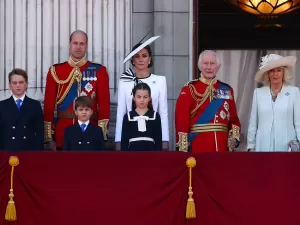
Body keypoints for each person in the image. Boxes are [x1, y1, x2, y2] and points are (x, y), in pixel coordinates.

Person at [43, 30, 110, 150]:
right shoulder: (56, 71)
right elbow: (48, 105)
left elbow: (104, 106)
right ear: (69, 44)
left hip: (91, 132)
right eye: (75, 43)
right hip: (62, 132)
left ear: (86, 46)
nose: (78, 47)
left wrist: (102, 134)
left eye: (82, 43)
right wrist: (49, 137)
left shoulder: (99, 70)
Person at [175, 50, 241, 152]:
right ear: (200, 66)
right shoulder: (190, 89)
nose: (209, 67)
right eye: (205, 63)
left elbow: (234, 119)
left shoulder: (226, 89)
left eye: (212, 63)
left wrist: (234, 138)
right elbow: (181, 119)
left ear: (218, 67)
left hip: (222, 147)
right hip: (198, 146)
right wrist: (183, 148)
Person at [115, 35, 169, 150]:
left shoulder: (160, 80)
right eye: (137, 56)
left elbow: (163, 113)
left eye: (144, 56)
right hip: (130, 133)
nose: (140, 59)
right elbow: (121, 112)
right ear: (132, 60)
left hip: (152, 133)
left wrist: (164, 140)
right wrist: (118, 140)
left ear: (150, 59)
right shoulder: (125, 81)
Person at [247, 53, 300, 152]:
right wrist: (251, 146)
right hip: (262, 147)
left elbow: (298, 122)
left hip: (287, 147)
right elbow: (253, 123)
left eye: (279, 70)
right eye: (272, 71)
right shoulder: (258, 93)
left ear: (284, 73)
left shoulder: (294, 92)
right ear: (267, 74)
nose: (275, 74)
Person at [0, 68, 44, 151]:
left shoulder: (35, 105)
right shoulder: (1, 106)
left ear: (26, 84)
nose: (18, 85)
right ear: (10, 85)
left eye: (21, 82)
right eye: (14, 83)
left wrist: (38, 153)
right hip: (7, 151)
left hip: (28, 151)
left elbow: (40, 133)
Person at [121, 83, 162, 151]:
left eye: (145, 97)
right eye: (139, 97)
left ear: (149, 98)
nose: (142, 100)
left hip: (150, 154)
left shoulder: (155, 116)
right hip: (132, 154)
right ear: (134, 98)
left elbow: (158, 142)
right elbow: (124, 142)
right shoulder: (128, 116)